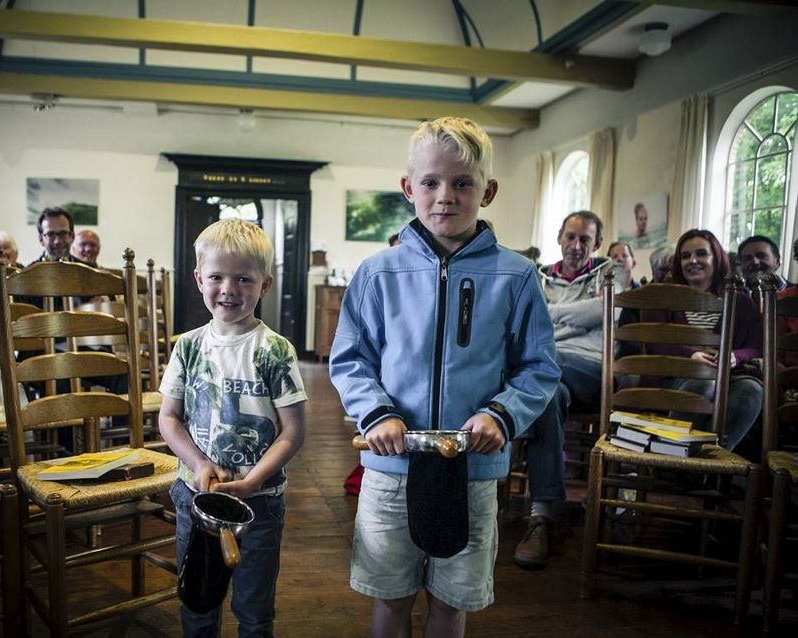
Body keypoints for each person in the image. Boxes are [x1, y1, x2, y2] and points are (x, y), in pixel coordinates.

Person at [330, 116, 559, 637]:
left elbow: (539, 367)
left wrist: (501, 414)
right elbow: (350, 359)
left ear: (488, 190)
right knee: (390, 600)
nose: (445, 197)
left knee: (452, 602)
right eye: (431, 182)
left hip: (472, 473)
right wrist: (377, 413)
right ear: (409, 188)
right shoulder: (376, 273)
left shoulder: (518, 276)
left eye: (462, 183)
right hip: (392, 468)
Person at [159, 218, 307, 636]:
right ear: (198, 279)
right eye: (217, 277)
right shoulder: (187, 346)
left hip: (259, 503)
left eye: (244, 279)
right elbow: (168, 418)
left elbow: (293, 433)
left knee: (254, 610)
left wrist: (251, 482)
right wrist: (199, 461)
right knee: (198, 600)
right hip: (195, 495)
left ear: (265, 285)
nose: (229, 289)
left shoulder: (275, 351)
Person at [514, 210, 624, 570]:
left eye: (585, 240)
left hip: (592, 371)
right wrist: (574, 319)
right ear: (559, 237)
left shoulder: (612, 273)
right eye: (571, 237)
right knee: (548, 396)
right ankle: (541, 517)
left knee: (532, 373)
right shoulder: (537, 276)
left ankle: (509, 419)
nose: (577, 246)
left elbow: (608, 312)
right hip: (552, 375)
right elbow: (521, 320)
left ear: (597, 244)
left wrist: (548, 315)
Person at [639, 229, 763, 451]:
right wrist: (691, 356)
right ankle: (670, 455)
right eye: (685, 256)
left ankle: (710, 459)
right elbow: (654, 342)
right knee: (704, 381)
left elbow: (757, 348)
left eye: (701, 254)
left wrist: (735, 356)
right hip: (672, 376)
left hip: (726, 377)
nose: (692, 261)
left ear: (716, 258)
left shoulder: (741, 302)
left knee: (752, 390)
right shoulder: (663, 297)